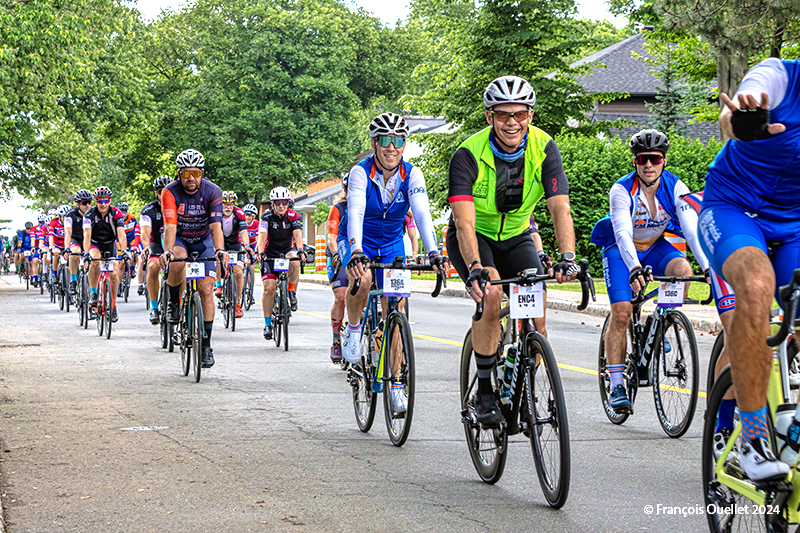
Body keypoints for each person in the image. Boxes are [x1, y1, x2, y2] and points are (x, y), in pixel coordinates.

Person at [448, 75, 578, 426]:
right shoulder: (467, 154)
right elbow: (464, 224)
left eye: (519, 114)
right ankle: (486, 391)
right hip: (476, 238)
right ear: (489, 117)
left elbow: (559, 208)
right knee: (490, 295)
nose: (511, 123)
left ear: (530, 116)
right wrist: (475, 266)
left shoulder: (544, 147)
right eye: (503, 115)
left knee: (536, 315)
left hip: (518, 235)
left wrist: (567, 256)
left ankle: (525, 376)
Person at [697, 57, 799, 481]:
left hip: (794, 224)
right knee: (756, 286)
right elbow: (731, 113)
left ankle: (786, 417)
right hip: (734, 209)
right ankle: (751, 436)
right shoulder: (779, 76)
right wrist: (741, 122)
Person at [590, 128, 710, 413]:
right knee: (621, 311)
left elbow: (691, 233)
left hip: (655, 246)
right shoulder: (621, 189)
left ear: (663, 161)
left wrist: (707, 268)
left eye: (654, 159)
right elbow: (621, 232)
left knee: (682, 268)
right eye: (642, 158)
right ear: (635, 161)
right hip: (621, 250)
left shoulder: (675, 187)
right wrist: (633, 268)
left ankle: (660, 322)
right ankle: (617, 383)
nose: (648, 165)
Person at [339, 112, 445, 415]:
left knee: (396, 308)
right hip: (360, 238)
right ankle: (355, 328)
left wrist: (434, 250)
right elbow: (356, 211)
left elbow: (422, 214)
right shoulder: (361, 172)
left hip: (390, 243)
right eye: (385, 140)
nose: (391, 147)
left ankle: (397, 384)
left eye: (397, 141)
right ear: (375, 143)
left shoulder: (413, 174)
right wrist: (357, 251)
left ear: (404, 144)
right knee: (364, 280)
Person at [160, 149, 226, 368]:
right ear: (179, 173)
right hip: (179, 238)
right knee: (178, 259)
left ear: (202, 173)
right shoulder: (170, 192)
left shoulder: (213, 191)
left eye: (195, 173)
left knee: (207, 290)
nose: (191, 178)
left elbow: (216, 226)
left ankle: (206, 344)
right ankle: (172, 302)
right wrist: (168, 251)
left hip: (203, 239)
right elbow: (170, 225)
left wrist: (219, 251)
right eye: (186, 173)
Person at [256, 187, 306, 340]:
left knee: (295, 261)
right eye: (278, 203)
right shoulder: (266, 217)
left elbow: (297, 234)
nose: (281, 206)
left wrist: (300, 250)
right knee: (269, 289)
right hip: (270, 252)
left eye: (284, 202)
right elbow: (262, 236)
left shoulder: (293, 215)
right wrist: (260, 252)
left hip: (287, 250)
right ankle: (267, 324)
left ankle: (291, 291)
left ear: (288, 203)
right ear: (273, 204)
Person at [82, 186, 129, 322]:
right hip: (94, 242)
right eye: (100, 201)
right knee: (94, 260)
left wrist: (124, 251)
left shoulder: (116, 213)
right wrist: (86, 253)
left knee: (114, 275)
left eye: (106, 200)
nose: (103, 204)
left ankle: (113, 305)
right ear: (95, 201)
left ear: (110, 200)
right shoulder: (89, 215)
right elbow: (86, 235)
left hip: (110, 243)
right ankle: (94, 293)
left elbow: (121, 233)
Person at [140, 176, 170, 324]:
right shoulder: (148, 210)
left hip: (176, 243)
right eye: (160, 191)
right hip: (156, 243)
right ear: (156, 193)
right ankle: (154, 308)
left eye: (167, 191)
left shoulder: (180, 206)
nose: (164, 194)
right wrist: (146, 248)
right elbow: (144, 233)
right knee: (152, 267)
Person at [214, 191, 249, 318]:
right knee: (218, 258)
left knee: (239, 273)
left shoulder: (239, 213)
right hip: (221, 243)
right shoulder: (216, 213)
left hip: (235, 244)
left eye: (231, 204)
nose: (228, 207)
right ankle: (218, 285)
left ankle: (238, 303)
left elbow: (244, 232)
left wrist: (247, 246)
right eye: (225, 204)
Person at [325, 176, 348, 363]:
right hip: (339, 252)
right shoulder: (338, 208)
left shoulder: (371, 206)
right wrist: (336, 255)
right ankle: (336, 341)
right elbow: (332, 237)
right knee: (341, 296)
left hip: (363, 253)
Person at [63, 189, 93, 295]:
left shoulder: (94, 213)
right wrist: (67, 248)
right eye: (84, 203)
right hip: (75, 239)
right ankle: (73, 280)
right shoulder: (70, 215)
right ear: (78, 204)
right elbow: (67, 232)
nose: (88, 205)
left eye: (90, 202)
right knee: (75, 252)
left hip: (89, 239)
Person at [47, 205, 69, 284]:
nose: (66, 219)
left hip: (67, 244)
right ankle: (54, 273)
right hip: (57, 244)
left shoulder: (70, 222)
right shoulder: (53, 223)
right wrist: (52, 248)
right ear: (59, 216)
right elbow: (51, 237)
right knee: (56, 254)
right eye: (64, 217)